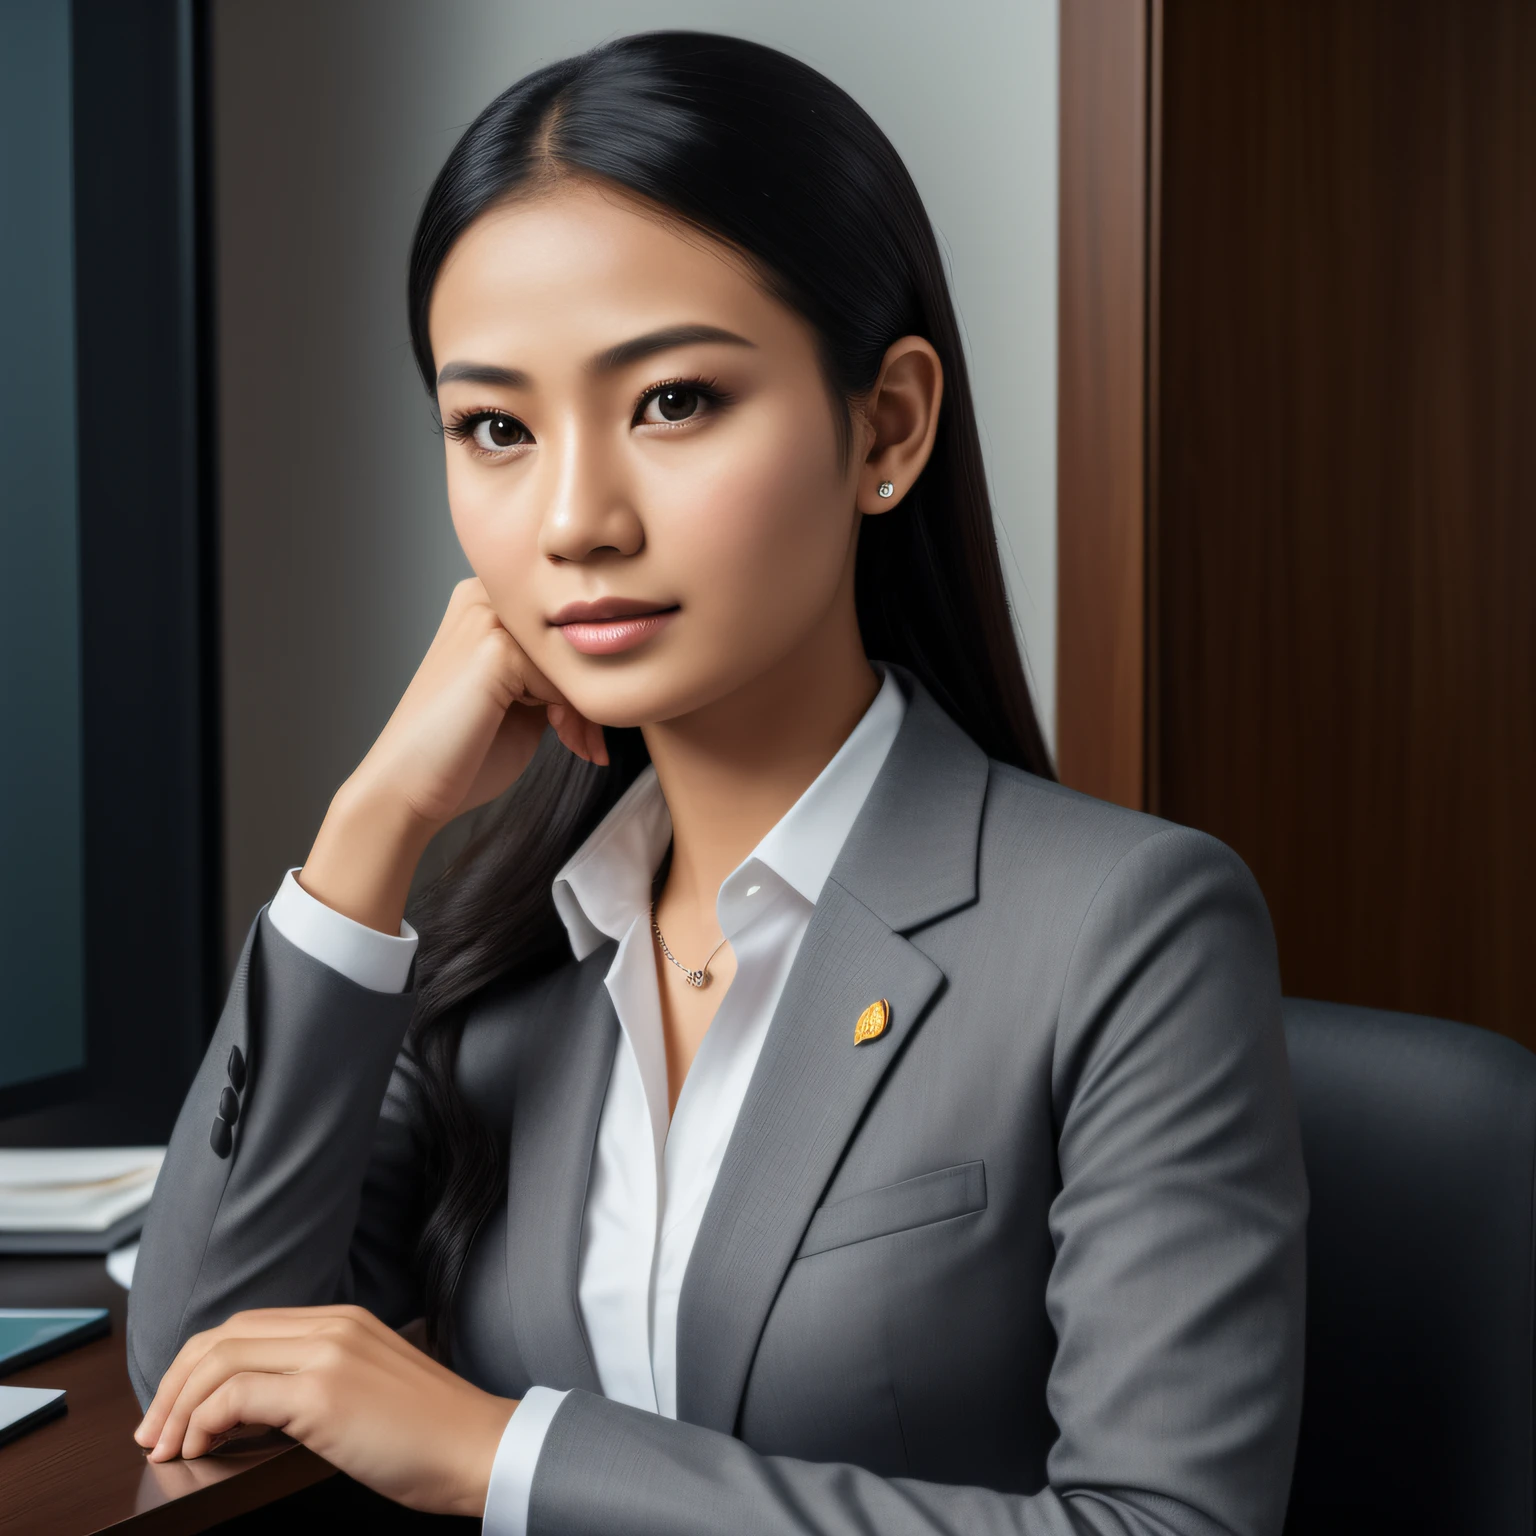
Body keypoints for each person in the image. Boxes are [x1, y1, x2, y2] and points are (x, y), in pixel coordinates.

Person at [126, 30, 1307, 1536]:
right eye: (498, 427)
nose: (575, 519)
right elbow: (202, 1375)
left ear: (885, 425)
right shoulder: (508, 961)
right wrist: (371, 832)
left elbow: (1172, 1527)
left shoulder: (1130, 927)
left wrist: (508, 1456)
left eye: (672, 402)